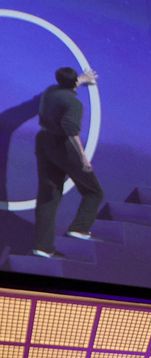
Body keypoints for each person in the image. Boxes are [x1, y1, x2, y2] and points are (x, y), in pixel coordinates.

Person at [33, 67, 104, 258]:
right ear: (73, 83)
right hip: (63, 147)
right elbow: (71, 131)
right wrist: (83, 158)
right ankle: (79, 228)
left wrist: (81, 79)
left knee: (48, 196)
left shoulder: (50, 92)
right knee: (93, 192)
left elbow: (67, 85)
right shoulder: (74, 104)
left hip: (44, 143)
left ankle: (43, 247)